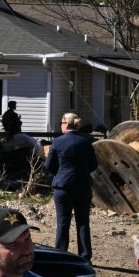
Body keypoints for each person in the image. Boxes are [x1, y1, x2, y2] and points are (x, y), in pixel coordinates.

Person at [46, 112, 98, 261]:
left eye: (62, 123)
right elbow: (94, 164)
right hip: (83, 186)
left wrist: (60, 172)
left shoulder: (57, 142)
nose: (60, 126)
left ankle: (60, 255)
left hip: (63, 187)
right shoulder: (86, 141)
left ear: (66, 124)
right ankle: (85, 257)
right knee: (83, 223)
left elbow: (49, 166)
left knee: (63, 223)